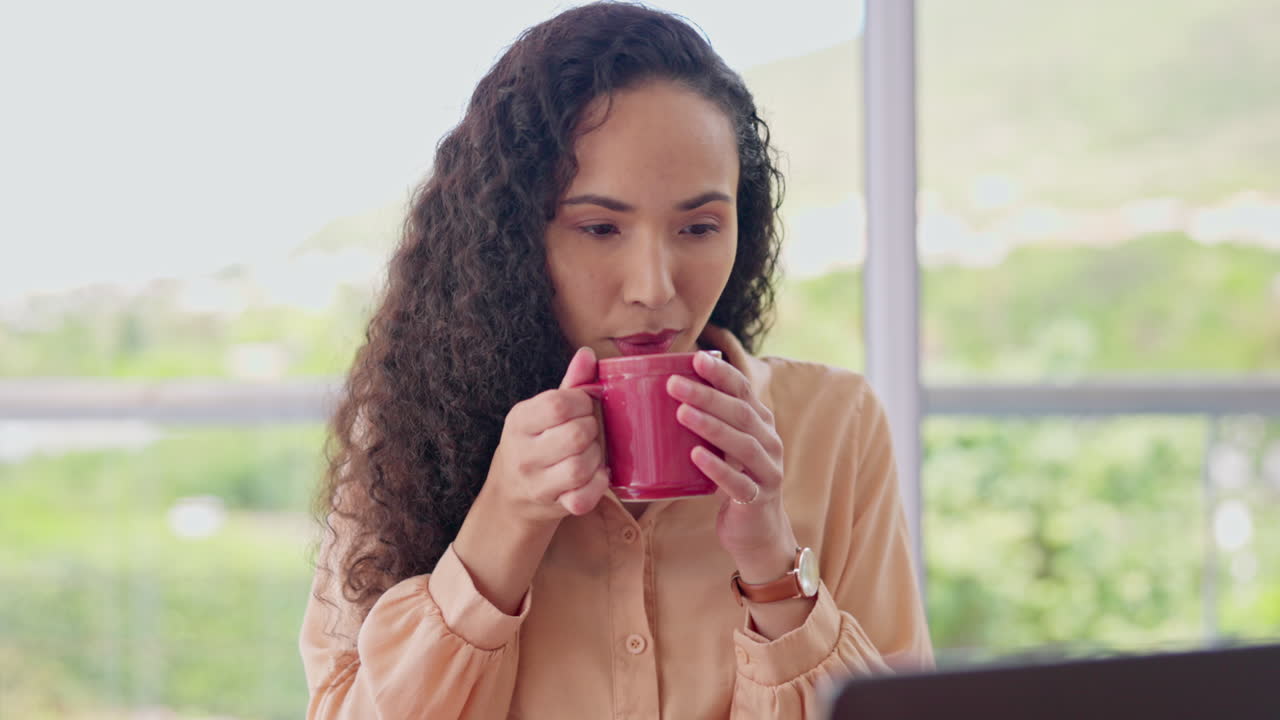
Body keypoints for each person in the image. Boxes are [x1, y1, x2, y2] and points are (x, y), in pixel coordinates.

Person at [298, 3, 933, 718]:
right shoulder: (412, 432)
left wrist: (774, 567)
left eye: (699, 226)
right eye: (600, 227)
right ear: (511, 241)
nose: (655, 288)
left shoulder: (834, 424)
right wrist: (503, 522)